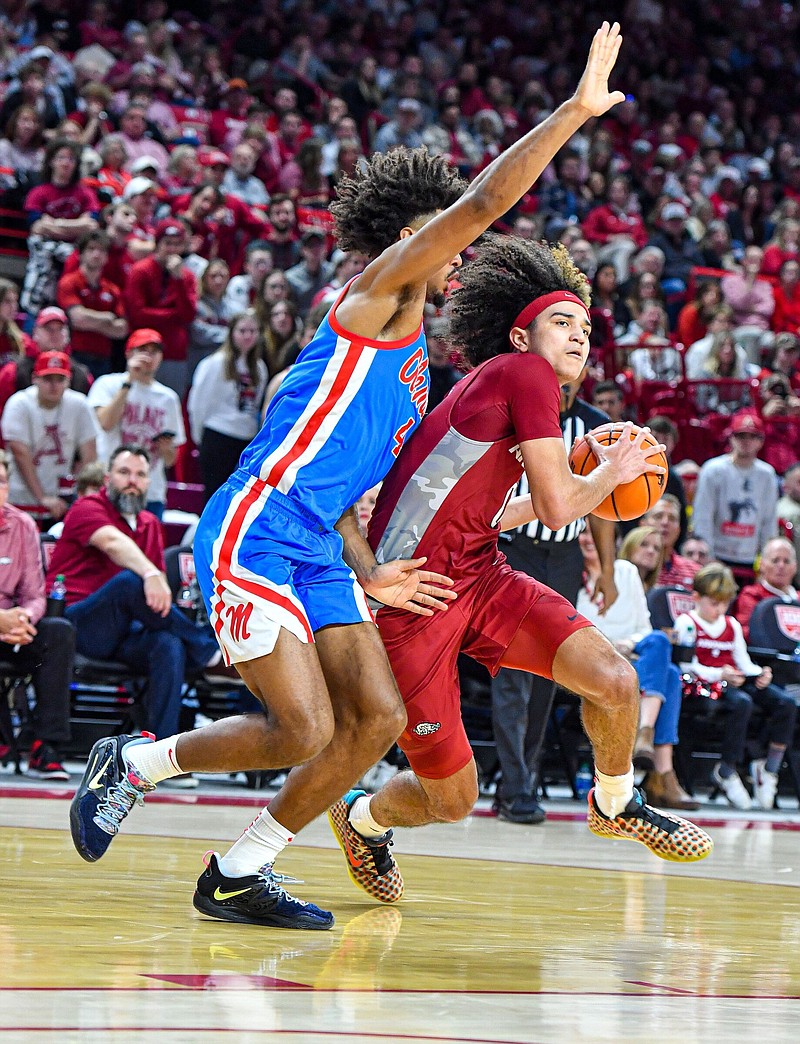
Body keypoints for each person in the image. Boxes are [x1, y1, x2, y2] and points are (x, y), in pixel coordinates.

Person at [69, 24, 677, 928]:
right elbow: (477, 205)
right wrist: (574, 113)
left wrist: (369, 568)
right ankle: (137, 764)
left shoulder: (410, 377)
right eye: (448, 239)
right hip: (257, 531)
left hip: (319, 546)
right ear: (409, 235)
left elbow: (350, 494)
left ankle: (240, 872)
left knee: (375, 722)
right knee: (303, 729)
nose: (466, 253)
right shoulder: (378, 296)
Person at [329, 231, 712, 901]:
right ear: (519, 338)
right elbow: (562, 510)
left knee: (615, 681)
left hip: (478, 572)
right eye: (559, 323)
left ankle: (617, 801)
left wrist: (582, 483)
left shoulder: (509, 389)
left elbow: (505, 510)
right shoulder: (523, 375)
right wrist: (614, 473)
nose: (577, 337)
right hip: (414, 598)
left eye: (585, 327)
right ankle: (362, 816)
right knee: (452, 800)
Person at [490, 361, 616, 826]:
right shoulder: (515, 413)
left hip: (563, 560)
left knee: (547, 670)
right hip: (513, 549)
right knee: (510, 671)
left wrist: (606, 569)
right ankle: (517, 785)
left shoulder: (595, 428)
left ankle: (521, 777)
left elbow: (603, 505)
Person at [49, 445, 222, 744]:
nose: (132, 480)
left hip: (124, 631)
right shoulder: (87, 507)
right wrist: (151, 574)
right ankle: (208, 652)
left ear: (148, 483)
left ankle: (161, 751)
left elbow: (154, 599)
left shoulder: (150, 523)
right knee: (131, 581)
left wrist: (152, 581)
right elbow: (113, 543)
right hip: (79, 623)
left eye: (140, 475)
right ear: (107, 479)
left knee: (167, 644)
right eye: (124, 472)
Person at [581, 526, 698, 811]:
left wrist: (627, 644)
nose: (590, 539)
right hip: (589, 659)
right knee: (668, 673)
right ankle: (662, 774)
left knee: (659, 646)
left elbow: (643, 630)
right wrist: (608, 645)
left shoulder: (625, 572)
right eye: (583, 533)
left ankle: (646, 738)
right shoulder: (569, 571)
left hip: (628, 656)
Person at [674, 564, 796, 810]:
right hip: (699, 686)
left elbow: (744, 662)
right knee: (742, 702)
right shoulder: (686, 623)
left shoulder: (731, 624)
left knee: (785, 702)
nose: (719, 609)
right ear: (696, 597)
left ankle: (769, 767)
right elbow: (686, 666)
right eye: (713, 603)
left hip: (730, 680)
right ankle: (727, 769)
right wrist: (719, 674)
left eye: (724, 603)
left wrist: (761, 673)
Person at [0, 448, 76, 780]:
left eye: (2, 482)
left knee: (57, 630)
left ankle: (45, 747)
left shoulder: (23, 525)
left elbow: (34, 595)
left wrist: (22, 620)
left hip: (13, 629)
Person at [86, 329, 184, 520]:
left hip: (150, 491)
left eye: (154, 351)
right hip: (111, 485)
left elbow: (172, 459)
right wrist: (129, 381)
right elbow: (105, 422)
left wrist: (165, 449)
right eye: (142, 349)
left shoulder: (168, 398)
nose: (148, 356)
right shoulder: (107, 384)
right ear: (128, 353)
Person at [1, 350, 97, 521]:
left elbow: (89, 452)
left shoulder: (79, 404)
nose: (54, 385)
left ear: (68, 381)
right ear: (34, 379)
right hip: (22, 500)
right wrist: (42, 498)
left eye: (60, 379)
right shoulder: (19, 403)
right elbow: (20, 453)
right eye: (47, 379)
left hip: (61, 502)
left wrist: (82, 493)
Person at [187, 312, 267, 503]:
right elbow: (198, 403)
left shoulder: (259, 367)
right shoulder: (215, 363)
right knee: (213, 497)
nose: (248, 336)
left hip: (245, 438)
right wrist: (199, 436)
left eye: (252, 331)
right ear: (231, 333)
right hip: (217, 435)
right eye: (242, 331)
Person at [692, 412, 778, 581]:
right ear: (731, 438)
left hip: (749, 557)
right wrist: (707, 555)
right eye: (741, 435)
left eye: (753, 436)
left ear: (761, 441)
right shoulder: (713, 470)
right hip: (716, 554)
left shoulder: (767, 474)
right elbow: (703, 515)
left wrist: (767, 559)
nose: (746, 441)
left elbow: (769, 519)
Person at [125, 218, 198, 396]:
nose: (172, 249)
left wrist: (178, 280)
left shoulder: (186, 277)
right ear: (158, 244)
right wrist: (173, 316)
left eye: (177, 244)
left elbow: (188, 315)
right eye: (167, 243)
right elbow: (137, 314)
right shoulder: (140, 270)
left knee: (170, 401)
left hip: (174, 352)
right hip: (143, 348)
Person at [56, 228, 129, 378]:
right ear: (81, 254)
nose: (96, 254)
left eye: (102, 250)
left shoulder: (113, 289)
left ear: (107, 257)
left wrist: (90, 320)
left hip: (104, 359)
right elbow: (78, 319)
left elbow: (122, 329)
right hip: (74, 356)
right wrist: (108, 318)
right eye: (91, 249)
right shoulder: (69, 282)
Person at [734, 537, 800, 641]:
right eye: (775, 560)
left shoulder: (798, 597)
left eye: (786, 561)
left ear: (795, 567)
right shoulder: (751, 595)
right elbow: (747, 633)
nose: (781, 565)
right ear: (762, 565)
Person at [643, 494, 701, 589]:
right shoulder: (630, 568)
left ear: (678, 529)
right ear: (643, 524)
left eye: (672, 518)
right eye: (658, 516)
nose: (665, 522)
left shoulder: (695, 573)